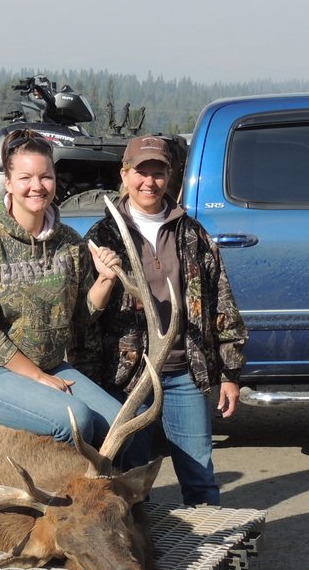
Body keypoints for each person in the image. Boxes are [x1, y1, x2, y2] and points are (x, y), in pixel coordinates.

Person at [84, 135, 247, 505]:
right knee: (129, 483)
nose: (149, 182)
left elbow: (222, 303)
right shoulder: (101, 237)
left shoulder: (192, 234)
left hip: (184, 373)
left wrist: (230, 373)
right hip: (128, 381)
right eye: (141, 172)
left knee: (200, 478)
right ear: (124, 175)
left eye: (159, 173)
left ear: (170, 176)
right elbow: (85, 317)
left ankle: (211, 552)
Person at [0, 129, 125, 447]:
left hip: (48, 365)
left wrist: (105, 280)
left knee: (120, 424)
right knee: (75, 420)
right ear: (8, 182)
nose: (37, 186)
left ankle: (106, 493)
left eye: (45, 177)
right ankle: (66, 496)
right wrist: (37, 377)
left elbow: (78, 319)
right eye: (25, 177)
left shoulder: (70, 243)